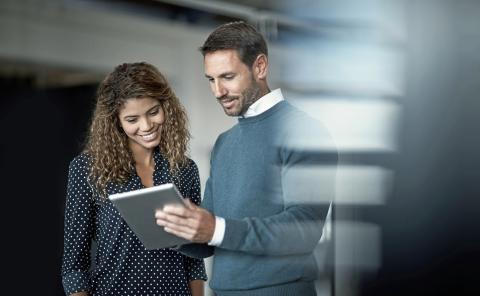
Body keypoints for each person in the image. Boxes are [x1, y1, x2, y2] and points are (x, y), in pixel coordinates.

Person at [155, 21, 337, 296]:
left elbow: (303, 230)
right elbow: (209, 238)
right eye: (211, 80)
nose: (218, 91)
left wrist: (216, 228)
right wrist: (175, 229)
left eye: (227, 77)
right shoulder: (224, 143)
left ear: (260, 67)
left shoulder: (305, 132)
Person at [61, 62, 207, 296]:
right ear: (115, 121)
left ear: (166, 106)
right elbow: (74, 265)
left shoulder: (185, 169)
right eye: (132, 119)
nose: (147, 126)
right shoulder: (87, 169)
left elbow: (194, 260)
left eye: (153, 112)